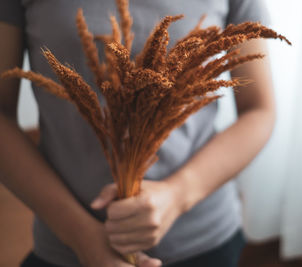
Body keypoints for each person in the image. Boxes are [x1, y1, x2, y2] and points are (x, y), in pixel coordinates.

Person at [0, 0, 275, 266]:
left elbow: (259, 110)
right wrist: (83, 238)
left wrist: (177, 195)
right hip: (68, 244)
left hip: (203, 239)